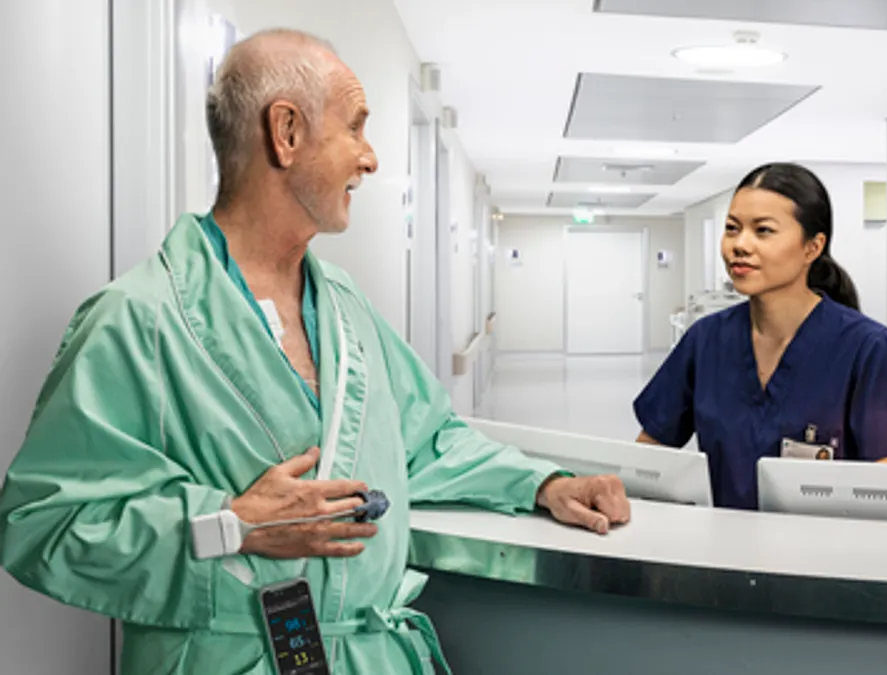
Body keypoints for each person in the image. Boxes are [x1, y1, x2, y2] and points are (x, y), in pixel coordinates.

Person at [0, 29, 629, 675]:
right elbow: (44, 524)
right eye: (356, 127)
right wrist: (229, 522)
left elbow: (425, 443)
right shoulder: (139, 320)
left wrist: (543, 483)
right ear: (287, 132)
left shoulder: (345, 307)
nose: (371, 158)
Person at [634, 163, 887, 510]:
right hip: (722, 552)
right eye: (732, 229)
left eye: (763, 231)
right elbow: (649, 458)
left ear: (812, 247)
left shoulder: (869, 349)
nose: (740, 245)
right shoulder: (706, 341)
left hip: (822, 558)